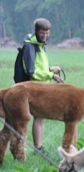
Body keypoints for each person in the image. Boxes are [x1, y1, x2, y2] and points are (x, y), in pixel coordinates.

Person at [22, 18, 64, 153]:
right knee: (35, 118)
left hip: (42, 87)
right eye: (42, 33)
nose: (45, 36)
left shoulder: (41, 45)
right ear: (36, 31)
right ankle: (37, 148)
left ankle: (38, 148)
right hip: (34, 88)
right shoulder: (30, 46)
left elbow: (39, 66)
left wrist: (51, 69)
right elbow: (31, 70)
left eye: (47, 33)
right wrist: (51, 76)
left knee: (40, 118)